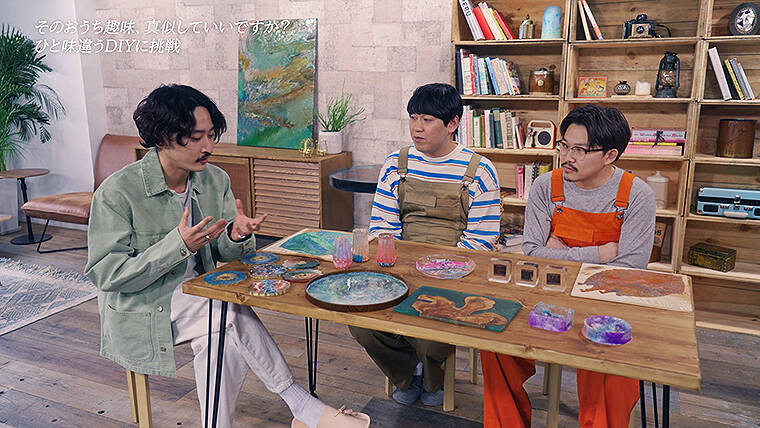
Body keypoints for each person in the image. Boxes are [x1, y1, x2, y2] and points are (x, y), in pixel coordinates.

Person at [84, 84, 370, 428]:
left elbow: (224, 253)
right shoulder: (117, 192)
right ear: (162, 137)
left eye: (210, 135)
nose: (208, 147)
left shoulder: (214, 179)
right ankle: (303, 406)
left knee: (219, 334)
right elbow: (108, 274)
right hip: (143, 307)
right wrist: (178, 245)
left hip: (197, 299)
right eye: (196, 137)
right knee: (226, 307)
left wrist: (237, 235)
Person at [484, 104, 655, 427]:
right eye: (564, 146)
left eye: (580, 150)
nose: (567, 157)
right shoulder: (546, 186)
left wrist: (561, 251)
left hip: (605, 297)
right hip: (548, 291)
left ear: (610, 155)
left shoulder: (636, 195)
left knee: (610, 359)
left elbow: (630, 268)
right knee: (496, 339)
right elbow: (532, 253)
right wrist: (601, 254)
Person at [348, 83, 502, 407]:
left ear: (452, 123)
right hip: (399, 266)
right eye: (413, 117)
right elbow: (383, 228)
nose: (417, 127)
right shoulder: (397, 163)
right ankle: (408, 374)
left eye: (427, 120)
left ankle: (431, 380)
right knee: (361, 324)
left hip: (455, 272)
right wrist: (401, 272)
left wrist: (438, 273)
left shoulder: (480, 170)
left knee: (430, 330)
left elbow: (481, 241)